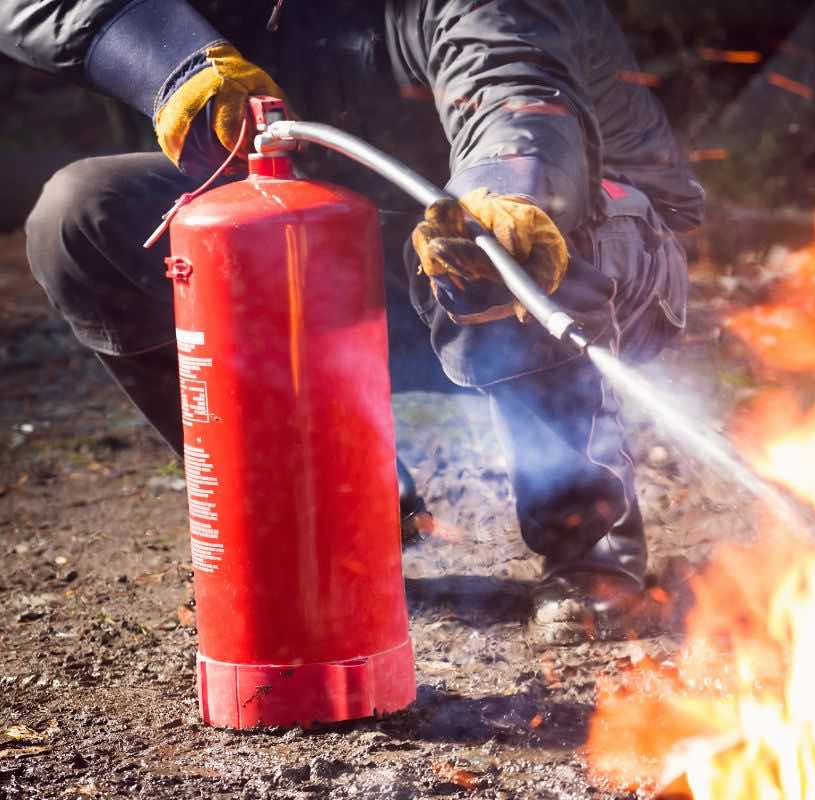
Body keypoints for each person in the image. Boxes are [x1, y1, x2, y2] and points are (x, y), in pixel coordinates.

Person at [0, 0, 704, 644]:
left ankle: (588, 547)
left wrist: (505, 190)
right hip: (350, 251)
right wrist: (171, 59)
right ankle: (341, 517)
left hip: (595, 250)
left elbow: (512, 86)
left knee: (495, 229)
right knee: (81, 215)